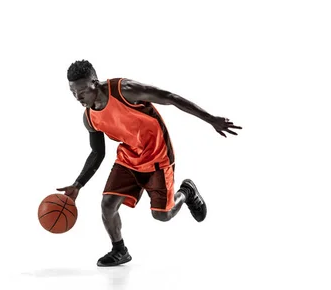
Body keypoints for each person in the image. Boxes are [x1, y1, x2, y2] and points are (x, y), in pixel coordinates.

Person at [57, 60, 242, 267]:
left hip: (158, 156)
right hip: (129, 158)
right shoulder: (90, 118)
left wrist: (210, 119)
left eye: (82, 91)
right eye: (72, 92)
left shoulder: (124, 90)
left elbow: (169, 98)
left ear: (95, 82)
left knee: (162, 216)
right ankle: (120, 250)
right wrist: (78, 184)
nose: (77, 98)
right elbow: (97, 153)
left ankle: (186, 192)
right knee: (107, 205)